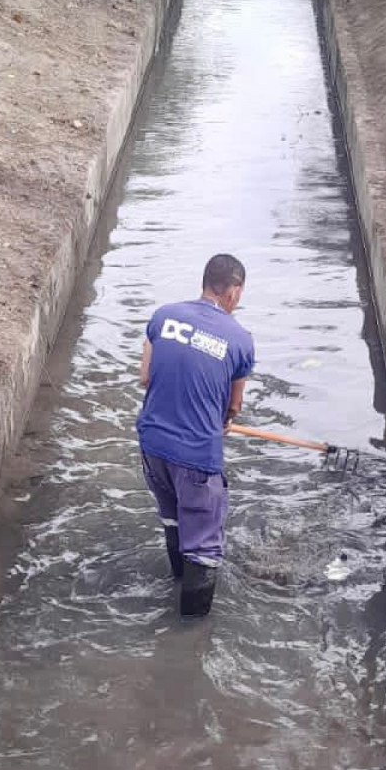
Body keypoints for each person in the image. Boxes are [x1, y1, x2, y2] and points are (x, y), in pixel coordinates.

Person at [137, 253, 255, 619]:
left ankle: (175, 580)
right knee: (204, 549)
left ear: (205, 283)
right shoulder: (240, 339)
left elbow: (145, 377)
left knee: (173, 519)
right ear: (234, 291)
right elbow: (233, 407)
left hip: (152, 444)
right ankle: (189, 635)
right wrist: (224, 420)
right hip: (196, 456)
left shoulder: (163, 316)